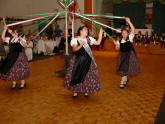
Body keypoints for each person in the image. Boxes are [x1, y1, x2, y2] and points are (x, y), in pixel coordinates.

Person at [64, 26, 103, 98]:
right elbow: (74, 49)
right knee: (76, 75)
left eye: (87, 30)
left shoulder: (89, 39)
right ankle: (75, 91)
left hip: (88, 60)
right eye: (85, 30)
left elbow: (98, 43)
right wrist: (80, 45)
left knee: (87, 75)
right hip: (78, 60)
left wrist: (100, 33)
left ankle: (86, 90)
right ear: (81, 31)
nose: (87, 31)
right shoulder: (75, 40)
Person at [0, 17, 29, 89]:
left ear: (18, 32)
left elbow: (25, 45)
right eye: (13, 32)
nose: (14, 33)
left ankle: (22, 82)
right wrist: (4, 29)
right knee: (12, 69)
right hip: (12, 56)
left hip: (20, 56)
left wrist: (20, 38)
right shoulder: (10, 39)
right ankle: (14, 83)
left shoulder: (21, 38)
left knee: (20, 69)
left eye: (15, 32)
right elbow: (3, 38)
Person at [113, 17, 140, 89]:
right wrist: (116, 45)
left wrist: (129, 21)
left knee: (126, 68)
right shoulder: (120, 41)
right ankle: (124, 79)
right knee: (123, 68)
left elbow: (133, 29)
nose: (124, 34)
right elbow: (117, 49)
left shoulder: (130, 38)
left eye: (125, 33)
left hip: (129, 56)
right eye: (123, 33)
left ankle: (123, 80)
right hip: (122, 56)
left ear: (128, 33)